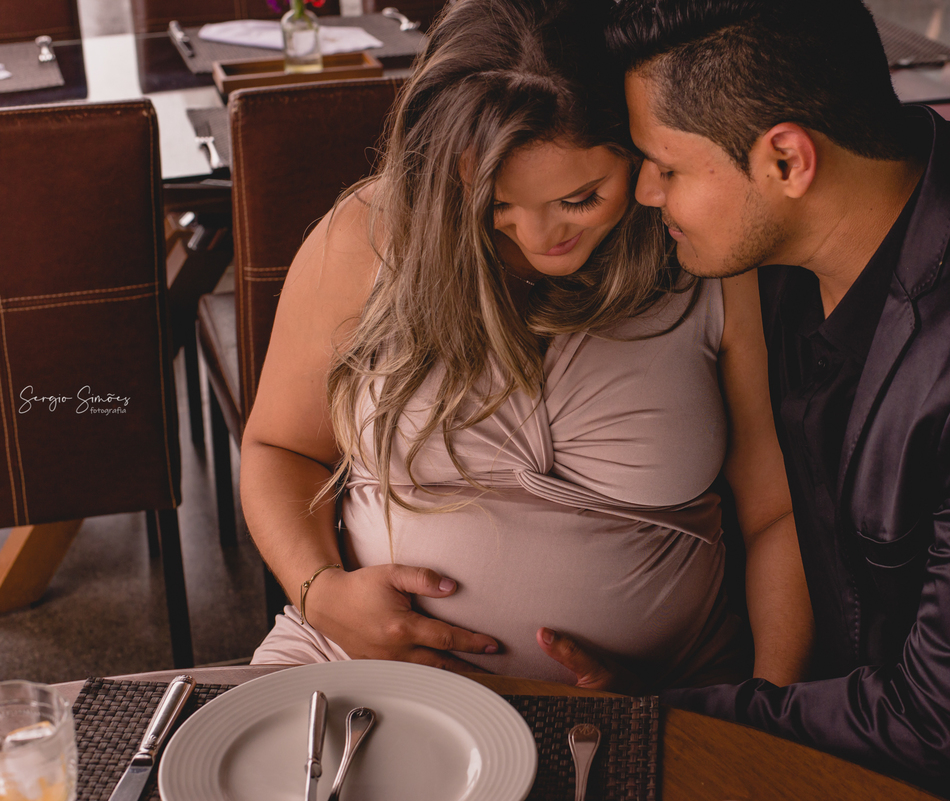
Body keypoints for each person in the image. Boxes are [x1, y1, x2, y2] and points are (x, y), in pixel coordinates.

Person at [542, 1, 950, 798]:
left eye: (668, 168)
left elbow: (944, 727)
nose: (646, 192)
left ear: (787, 160)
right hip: (875, 711)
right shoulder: (829, 214)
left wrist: (653, 718)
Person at [240, 0, 811, 692]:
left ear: (637, 147)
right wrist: (321, 591)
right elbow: (277, 449)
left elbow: (779, 511)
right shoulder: (367, 236)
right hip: (354, 664)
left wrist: (766, 717)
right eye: (495, 206)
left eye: (579, 199)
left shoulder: (704, 252)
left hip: (668, 691)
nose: (541, 238)